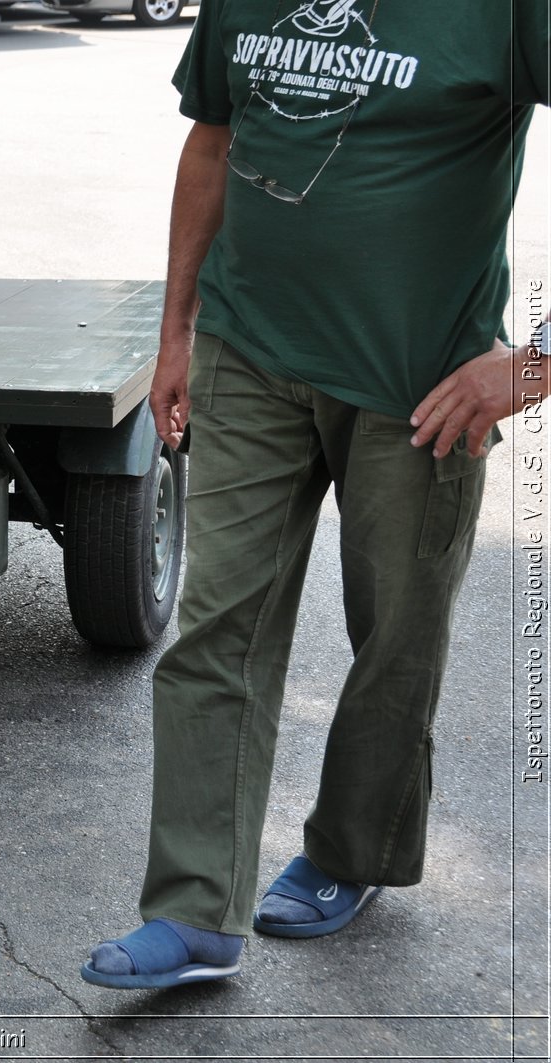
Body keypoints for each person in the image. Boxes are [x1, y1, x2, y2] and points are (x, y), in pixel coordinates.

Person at [81, 0, 549, 989]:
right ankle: (192, 908)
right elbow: (212, 144)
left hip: (418, 382)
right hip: (246, 350)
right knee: (218, 625)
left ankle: (350, 852)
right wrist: (175, 332)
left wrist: (536, 363)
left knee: (395, 631)